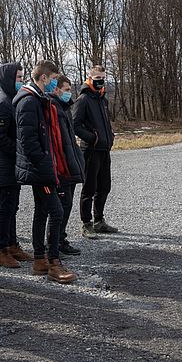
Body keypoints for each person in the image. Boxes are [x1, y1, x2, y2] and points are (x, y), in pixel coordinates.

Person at [13, 61, 77, 284]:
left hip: (42, 167)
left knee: (42, 211)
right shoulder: (29, 101)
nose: (54, 84)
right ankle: (53, 262)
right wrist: (47, 167)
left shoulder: (38, 99)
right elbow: (29, 141)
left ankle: (39, 259)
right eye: (52, 79)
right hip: (40, 169)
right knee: (56, 212)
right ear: (43, 79)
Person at [0, 62, 33, 268]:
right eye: (17, 78)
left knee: (13, 206)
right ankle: (2, 249)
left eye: (21, 77)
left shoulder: (12, 98)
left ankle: (13, 244)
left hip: (13, 164)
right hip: (5, 164)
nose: (21, 81)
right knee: (6, 207)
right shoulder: (2, 102)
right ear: (8, 79)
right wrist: (18, 149)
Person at [73, 65, 118, 238]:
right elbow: (74, 125)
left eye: (103, 78)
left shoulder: (102, 99)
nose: (101, 81)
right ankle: (86, 223)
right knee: (89, 188)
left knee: (104, 186)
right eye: (97, 78)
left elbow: (105, 123)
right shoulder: (83, 99)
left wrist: (110, 136)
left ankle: (99, 220)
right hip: (90, 150)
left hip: (104, 149)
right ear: (90, 78)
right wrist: (92, 137)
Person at [52, 75, 85, 256]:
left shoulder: (64, 108)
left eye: (69, 90)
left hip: (70, 163)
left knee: (67, 204)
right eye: (65, 90)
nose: (68, 93)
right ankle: (55, 242)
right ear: (56, 90)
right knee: (61, 206)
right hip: (62, 166)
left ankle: (60, 238)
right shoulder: (54, 109)